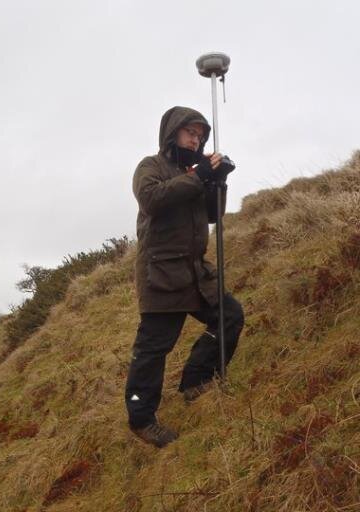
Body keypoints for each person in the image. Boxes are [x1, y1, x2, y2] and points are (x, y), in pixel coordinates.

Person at [125, 105, 244, 448]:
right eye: (189, 132)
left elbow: (211, 215)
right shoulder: (151, 167)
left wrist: (217, 182)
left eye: (200, 134)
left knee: (229, 316)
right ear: (172, 132)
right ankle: (141, 419)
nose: (196, 138)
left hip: (195, 271)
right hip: (161, 274)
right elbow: (152, 200)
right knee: (153, 349)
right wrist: (199, 176)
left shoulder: (192, 171)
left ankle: (196, 381)